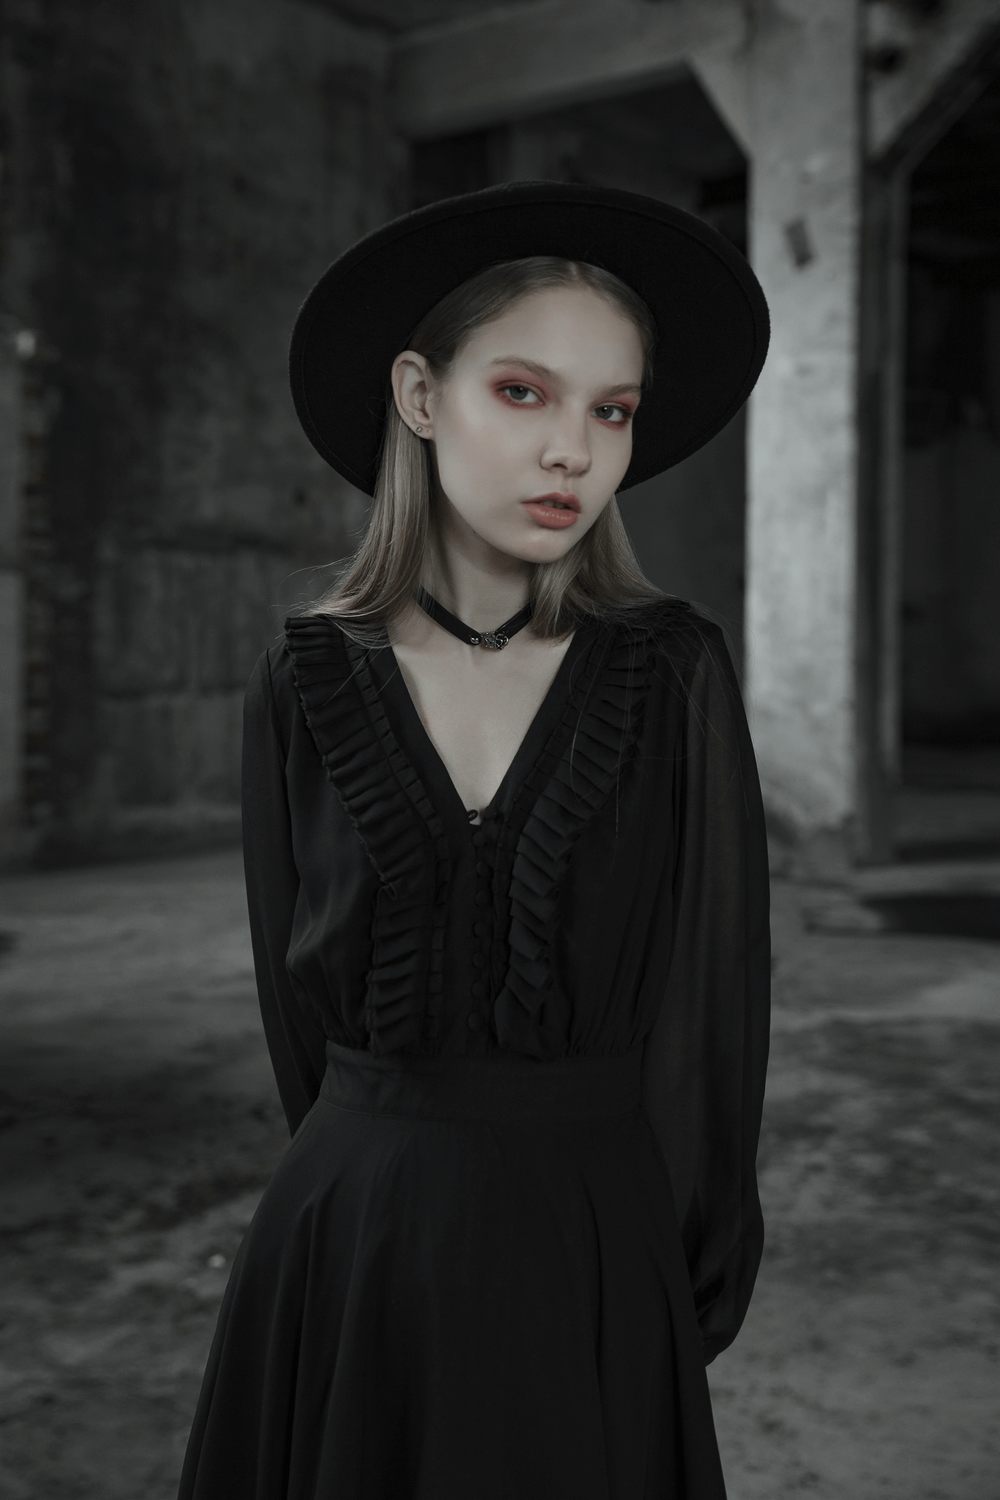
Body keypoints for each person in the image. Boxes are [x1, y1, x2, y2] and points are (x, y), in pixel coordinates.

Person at [179, 181, 771, 1500]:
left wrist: (689, 1262)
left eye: (610, 410)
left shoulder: (671, 674)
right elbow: (302, 1026)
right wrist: (359, 1196)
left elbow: (712, 1009)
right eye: (525, 392)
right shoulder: (305, 679)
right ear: (420, 393)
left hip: (593, 1240)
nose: (575, 449)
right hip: (351, 1247)